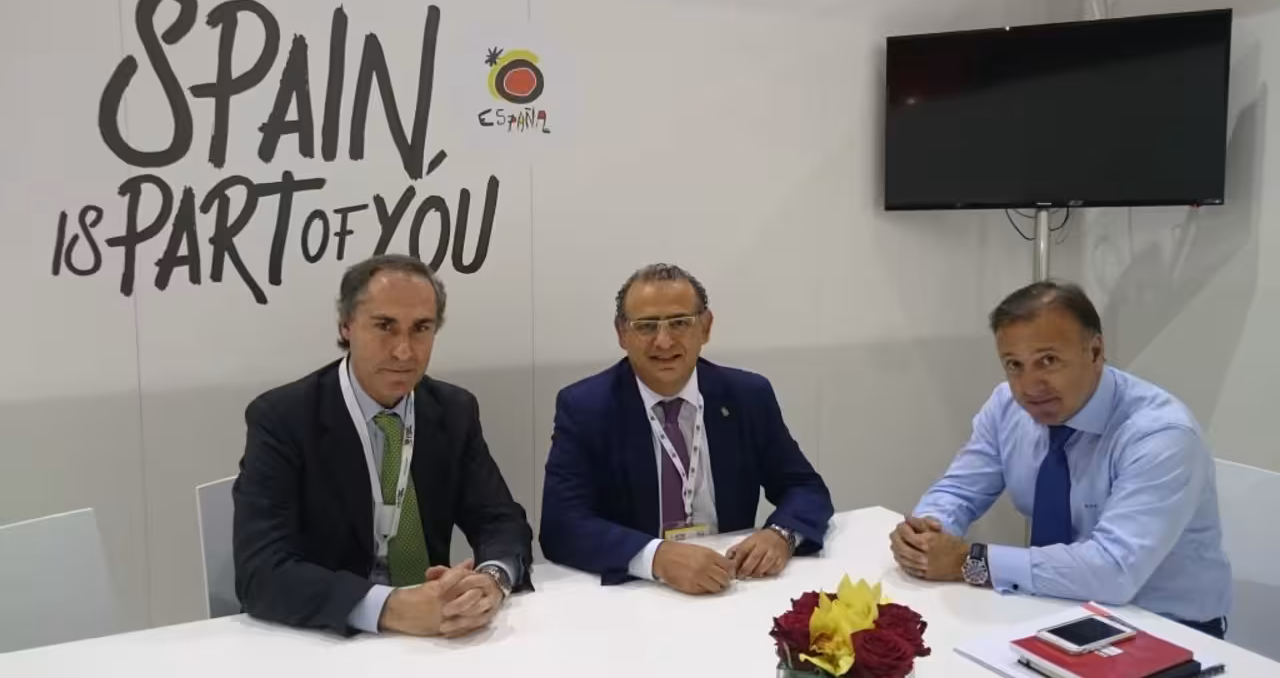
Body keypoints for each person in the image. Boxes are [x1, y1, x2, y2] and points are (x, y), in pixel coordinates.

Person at [891, 281, 1231, 637]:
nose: (1029, 386)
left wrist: (967, 561)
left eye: (1048, 361)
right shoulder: (1006, 407)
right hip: (1056, 608)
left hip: (1165, 627)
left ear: (1095, 352)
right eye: (1014, 365)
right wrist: (926, 534)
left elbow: (1113, 570)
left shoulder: (1160, 434)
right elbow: (958, 491)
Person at [233, 254, 533, 637]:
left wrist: (491, 580)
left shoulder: (453, 411)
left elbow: (501, 521)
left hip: (435, 635)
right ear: (346, 326)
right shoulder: (283, 418)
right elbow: (261, 571)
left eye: (421, 328)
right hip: (328, 639)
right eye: (385, 326)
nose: (404, 351)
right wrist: (389, 607)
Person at [540, 263, 834, 594]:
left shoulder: (747, 396)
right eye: (646, 326)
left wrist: (781, 534)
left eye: (680, 323)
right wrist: (655, 557)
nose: (664, 342)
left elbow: (804, 487)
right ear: (622, 333)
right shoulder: (586, 407)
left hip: (731, 584)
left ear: (705, 327)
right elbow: (561, 525)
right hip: (638, 593)